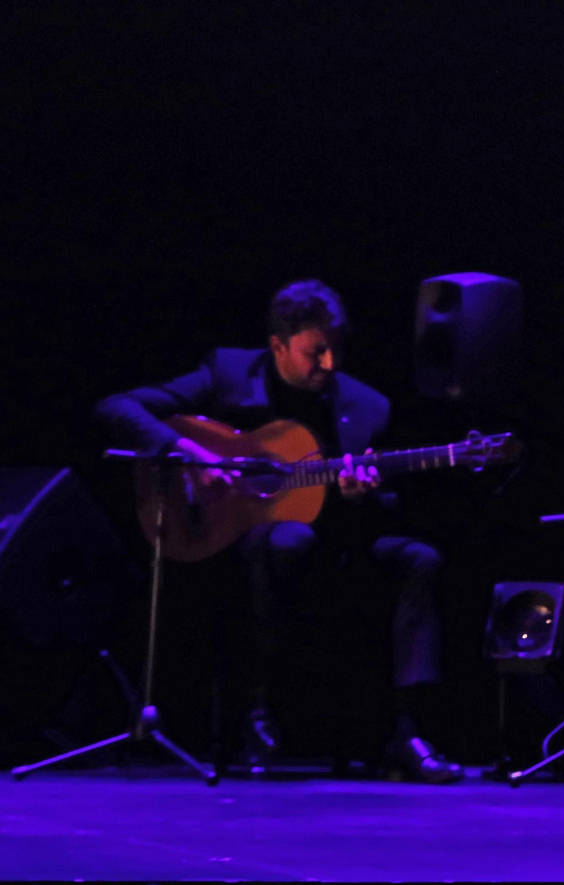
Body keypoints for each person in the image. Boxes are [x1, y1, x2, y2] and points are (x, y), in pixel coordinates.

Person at [94, 279, 463, 783]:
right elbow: (117, 407)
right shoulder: (228, 373)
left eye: (336, 349)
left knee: (420, 558)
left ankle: (406, 730)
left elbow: (388, 508)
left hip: (339, 539)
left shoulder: (369, 406)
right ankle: (258, 709)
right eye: (315, 352)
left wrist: (362, 495)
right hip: (239, 537)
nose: (330, 364)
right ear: (278, 346)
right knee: (290, 539)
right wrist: (192, 454)